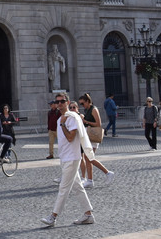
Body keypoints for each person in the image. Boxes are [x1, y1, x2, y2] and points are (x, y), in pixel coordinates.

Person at [41, 94, 95, 227]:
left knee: (63, 188)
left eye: (62, 101)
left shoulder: (71, 118)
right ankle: (88, 215)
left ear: (67, 102)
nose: (59, 103)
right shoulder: (61, 118)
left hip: (72, 158)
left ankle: (53, 216)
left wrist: (64, 123)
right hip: (65, 157)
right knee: (77, 187)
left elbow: (71, 137)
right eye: (57, 101)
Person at [77, 93, 116, 187]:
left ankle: (108, 173)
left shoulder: (93, 109)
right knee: (88, 158)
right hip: (89, 136)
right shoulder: (87, 110)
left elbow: (98, 124)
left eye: (83, 103)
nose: (82, 106)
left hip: (93, 137)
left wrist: (86, 121)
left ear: (87, 101)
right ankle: (90, 180)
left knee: (90, 158)